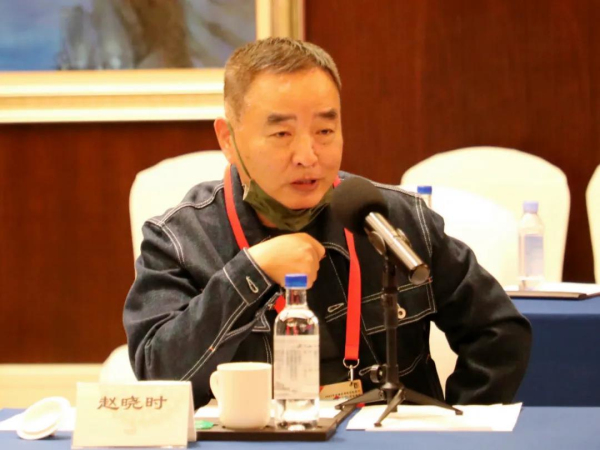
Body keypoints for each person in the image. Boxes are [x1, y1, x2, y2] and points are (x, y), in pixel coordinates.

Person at [123, 37, 531, 408]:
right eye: (282, 134)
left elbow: (499, 334)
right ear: (228, 139)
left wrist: (459, 427)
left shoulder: (396, 219)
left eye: (324, 130)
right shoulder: (180, 240)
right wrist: (251, 272)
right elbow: (160, 378)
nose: (308, 156)